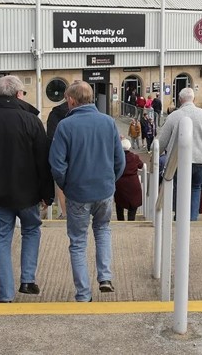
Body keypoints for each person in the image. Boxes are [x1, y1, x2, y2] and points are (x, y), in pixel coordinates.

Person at [0, 75, 54, 303]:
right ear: (18, 94)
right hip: (29, 193)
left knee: (1, 239)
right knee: (31, 230)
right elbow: (43, 161)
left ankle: (4, 295)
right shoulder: (32, 121)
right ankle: (27, 280)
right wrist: (46, 194)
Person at [49, 81, 125, 302]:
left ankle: (83, 294)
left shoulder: (65, 126)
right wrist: (110, 182)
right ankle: (105, 277)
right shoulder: (108, 122)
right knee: (102, 230)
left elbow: (57, 164)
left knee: (78, 241)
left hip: (78, 193)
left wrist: (67, 185)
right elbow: (119, 160)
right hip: (104, 191)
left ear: (71, 100)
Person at [156, 87, 202, 221]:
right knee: (196, 188)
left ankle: (179, 218)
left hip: (177, 161)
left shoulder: (174, 116)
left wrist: (155, 154)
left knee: (179, 188)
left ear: (179, 100)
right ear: (194, 99)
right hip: (199, 159)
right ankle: (192, 219)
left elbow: (161, 141)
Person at [114, 139, 143, 221]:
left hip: (120, 183)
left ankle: (120, 221)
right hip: (133, 183)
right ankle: (131, 221)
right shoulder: (134, 157)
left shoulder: (117, 157)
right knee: (133, 206)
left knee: (119, 204)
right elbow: (141, 165)